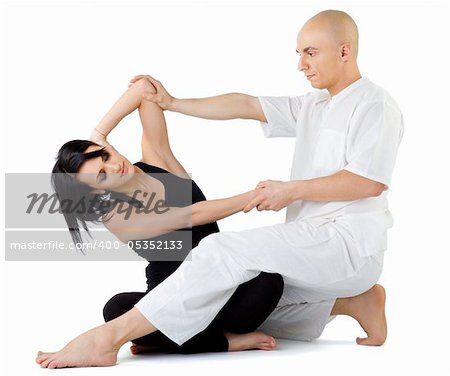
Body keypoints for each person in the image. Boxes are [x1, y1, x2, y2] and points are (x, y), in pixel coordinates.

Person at [36, 9, 404, 368]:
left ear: (344, 51)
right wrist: (176, 104)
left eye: (310, 53)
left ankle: (107, 339)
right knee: (248, 291)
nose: (301, 64)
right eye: (300, 54)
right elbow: (244, 104)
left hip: (347, 244)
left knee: (234, 263)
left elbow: (368, 182)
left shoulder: (374, 104)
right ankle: (354, 303)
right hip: (309, 243)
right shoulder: (315, 105)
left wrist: (101, 132)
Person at [50, 76, 286, 354]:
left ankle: (162, 341)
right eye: (102, 176)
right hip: (170, 299)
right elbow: (192, 215)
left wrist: (98, 133)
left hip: (219, 285)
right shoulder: (115, 216)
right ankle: (225, 342)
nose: (114, 166)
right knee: (116, 308)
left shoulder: (156, 158)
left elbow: (144, 90)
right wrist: (254, 196)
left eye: (105, 156)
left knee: (269, 282)